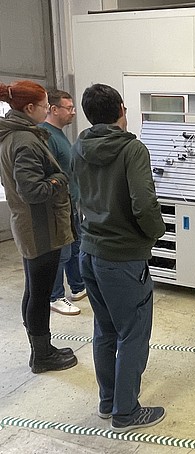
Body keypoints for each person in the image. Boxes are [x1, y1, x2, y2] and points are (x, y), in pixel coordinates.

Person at [71, 83, 166, 432]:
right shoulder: (132, 149)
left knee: (104, 329)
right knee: (132, 333)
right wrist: (155, 233)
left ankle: (108, 402)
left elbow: (75, 192)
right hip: (123, 258)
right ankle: (126, 413)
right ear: (122, 110)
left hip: (89, 251)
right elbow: (143, 201)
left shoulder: (79, 146)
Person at [0, 80, 77, 374]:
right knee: (40, 293)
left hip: (31, 225)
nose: (48, 110)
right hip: (40, 226)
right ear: (29, 108)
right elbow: (33, 191)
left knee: (34, 290)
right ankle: (42, 355)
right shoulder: (25, 141)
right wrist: (59, 180)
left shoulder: (15, 135)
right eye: (45, 106)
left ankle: (41, 349)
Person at [40, 89, 85, 316]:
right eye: (69, 108)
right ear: (53, 109)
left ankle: (77, 287)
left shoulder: (59, 133)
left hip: (71, 203)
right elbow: (49, 175)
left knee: (76, 247)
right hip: (58, 207)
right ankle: (55, 296)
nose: (73, 112)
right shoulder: (45, 135)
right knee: (62, 253)